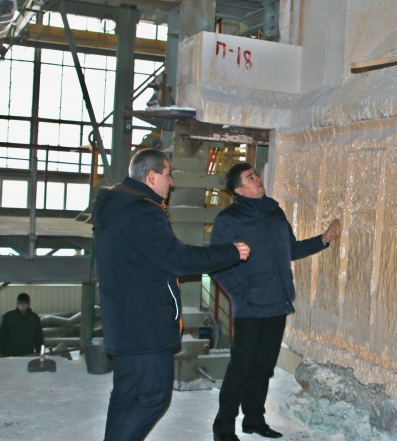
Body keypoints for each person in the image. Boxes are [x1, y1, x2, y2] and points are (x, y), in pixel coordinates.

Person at [92, 148, 250, 441]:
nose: (172, 181)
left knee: (127, 397)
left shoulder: (119, 206)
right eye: (168, 174)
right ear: (151, 177)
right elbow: (179, 259)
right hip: (145, 327)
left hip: (124, 324)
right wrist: (230, 252)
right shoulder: (142, 211)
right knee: (152, 399)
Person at [210, 162, 340, 441]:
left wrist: (322, 240)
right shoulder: (229, 219)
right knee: (241, 367)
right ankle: (223, 428)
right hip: (250, 306)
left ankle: (254, 420)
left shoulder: (274, 211)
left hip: (277, 302)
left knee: (263, 367)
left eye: (255, 175)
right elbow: (218, 264)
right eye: (250, 178)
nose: (257, 179)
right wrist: (242, 292)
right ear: (239, 190)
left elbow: (290, 249)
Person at [0, 293, 44, 357]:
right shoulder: (8, 317)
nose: (23, 304)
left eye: (25, 302)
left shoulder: (34, 318)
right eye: (21, 302)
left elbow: (39, 337)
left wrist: (40, 352)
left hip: (27, 353)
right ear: (17, 303)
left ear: (29, 303)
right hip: (9, 354)